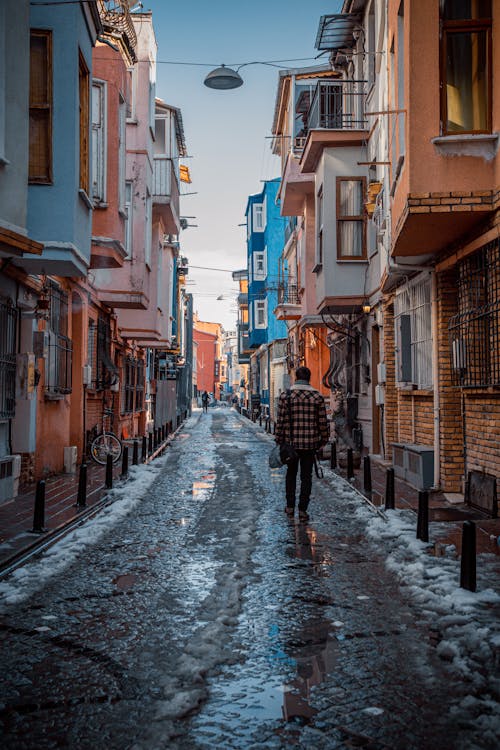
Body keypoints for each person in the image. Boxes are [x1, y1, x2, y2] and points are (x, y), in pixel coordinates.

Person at [275, 366, 329, 520]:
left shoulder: (286, 396)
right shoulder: (317, 396)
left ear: (295, 377)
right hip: (310, 444)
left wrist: (279, 439)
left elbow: (281, 421)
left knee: (291, 475)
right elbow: (322, 422)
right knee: (307, 477)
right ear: (309, 378)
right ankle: (303, 510)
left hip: (291, 445)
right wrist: (323, 439)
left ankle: (290, 507)